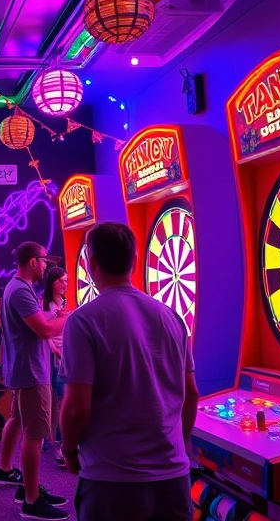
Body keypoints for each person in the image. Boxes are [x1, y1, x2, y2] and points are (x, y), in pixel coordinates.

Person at [59, 223, 198, 521]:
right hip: (173, 478)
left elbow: (75, 409)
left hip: (112, 480)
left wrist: (69, 450)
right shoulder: (172, 317)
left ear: (91, 262)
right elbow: (192, 394)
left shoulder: (83, 321)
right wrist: (177, 448)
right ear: (134, 260)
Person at [0, 241, 70, 520]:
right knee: (35, 435)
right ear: (32, 262)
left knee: (21, 422)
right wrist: (72, 317)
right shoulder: (21, 291)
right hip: (32, 372)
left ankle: (23, 483)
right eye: (44, 261)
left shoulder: (18, 287)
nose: (47, 265)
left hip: (23, 369)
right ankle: (31, 500)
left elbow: (40, 324)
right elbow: (45, 330)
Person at [42, 266, 68, 468]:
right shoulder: (45, 304)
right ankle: (59, 444)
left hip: (67, 358)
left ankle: (58, 442)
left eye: (66, 280)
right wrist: (54, 350)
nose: (66, 284)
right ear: (53, 282)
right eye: (62, 281)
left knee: (64, 401)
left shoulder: (64, 303)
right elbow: (43, 333)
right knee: (64, 399)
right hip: (55, 360)